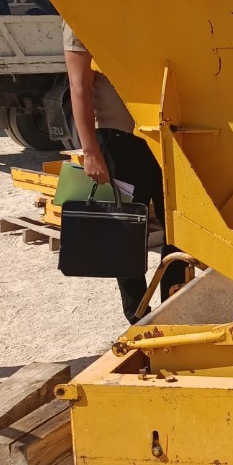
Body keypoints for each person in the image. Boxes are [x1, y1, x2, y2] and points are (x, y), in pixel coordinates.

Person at [62, 22, 185, 323]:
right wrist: (90, 151)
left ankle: (175, 302)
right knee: (126, 232)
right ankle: (137, 314)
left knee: (178, 225)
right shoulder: (79, 17)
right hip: (120, 140)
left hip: (165, 134)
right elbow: (79, 88)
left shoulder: (140, 6)